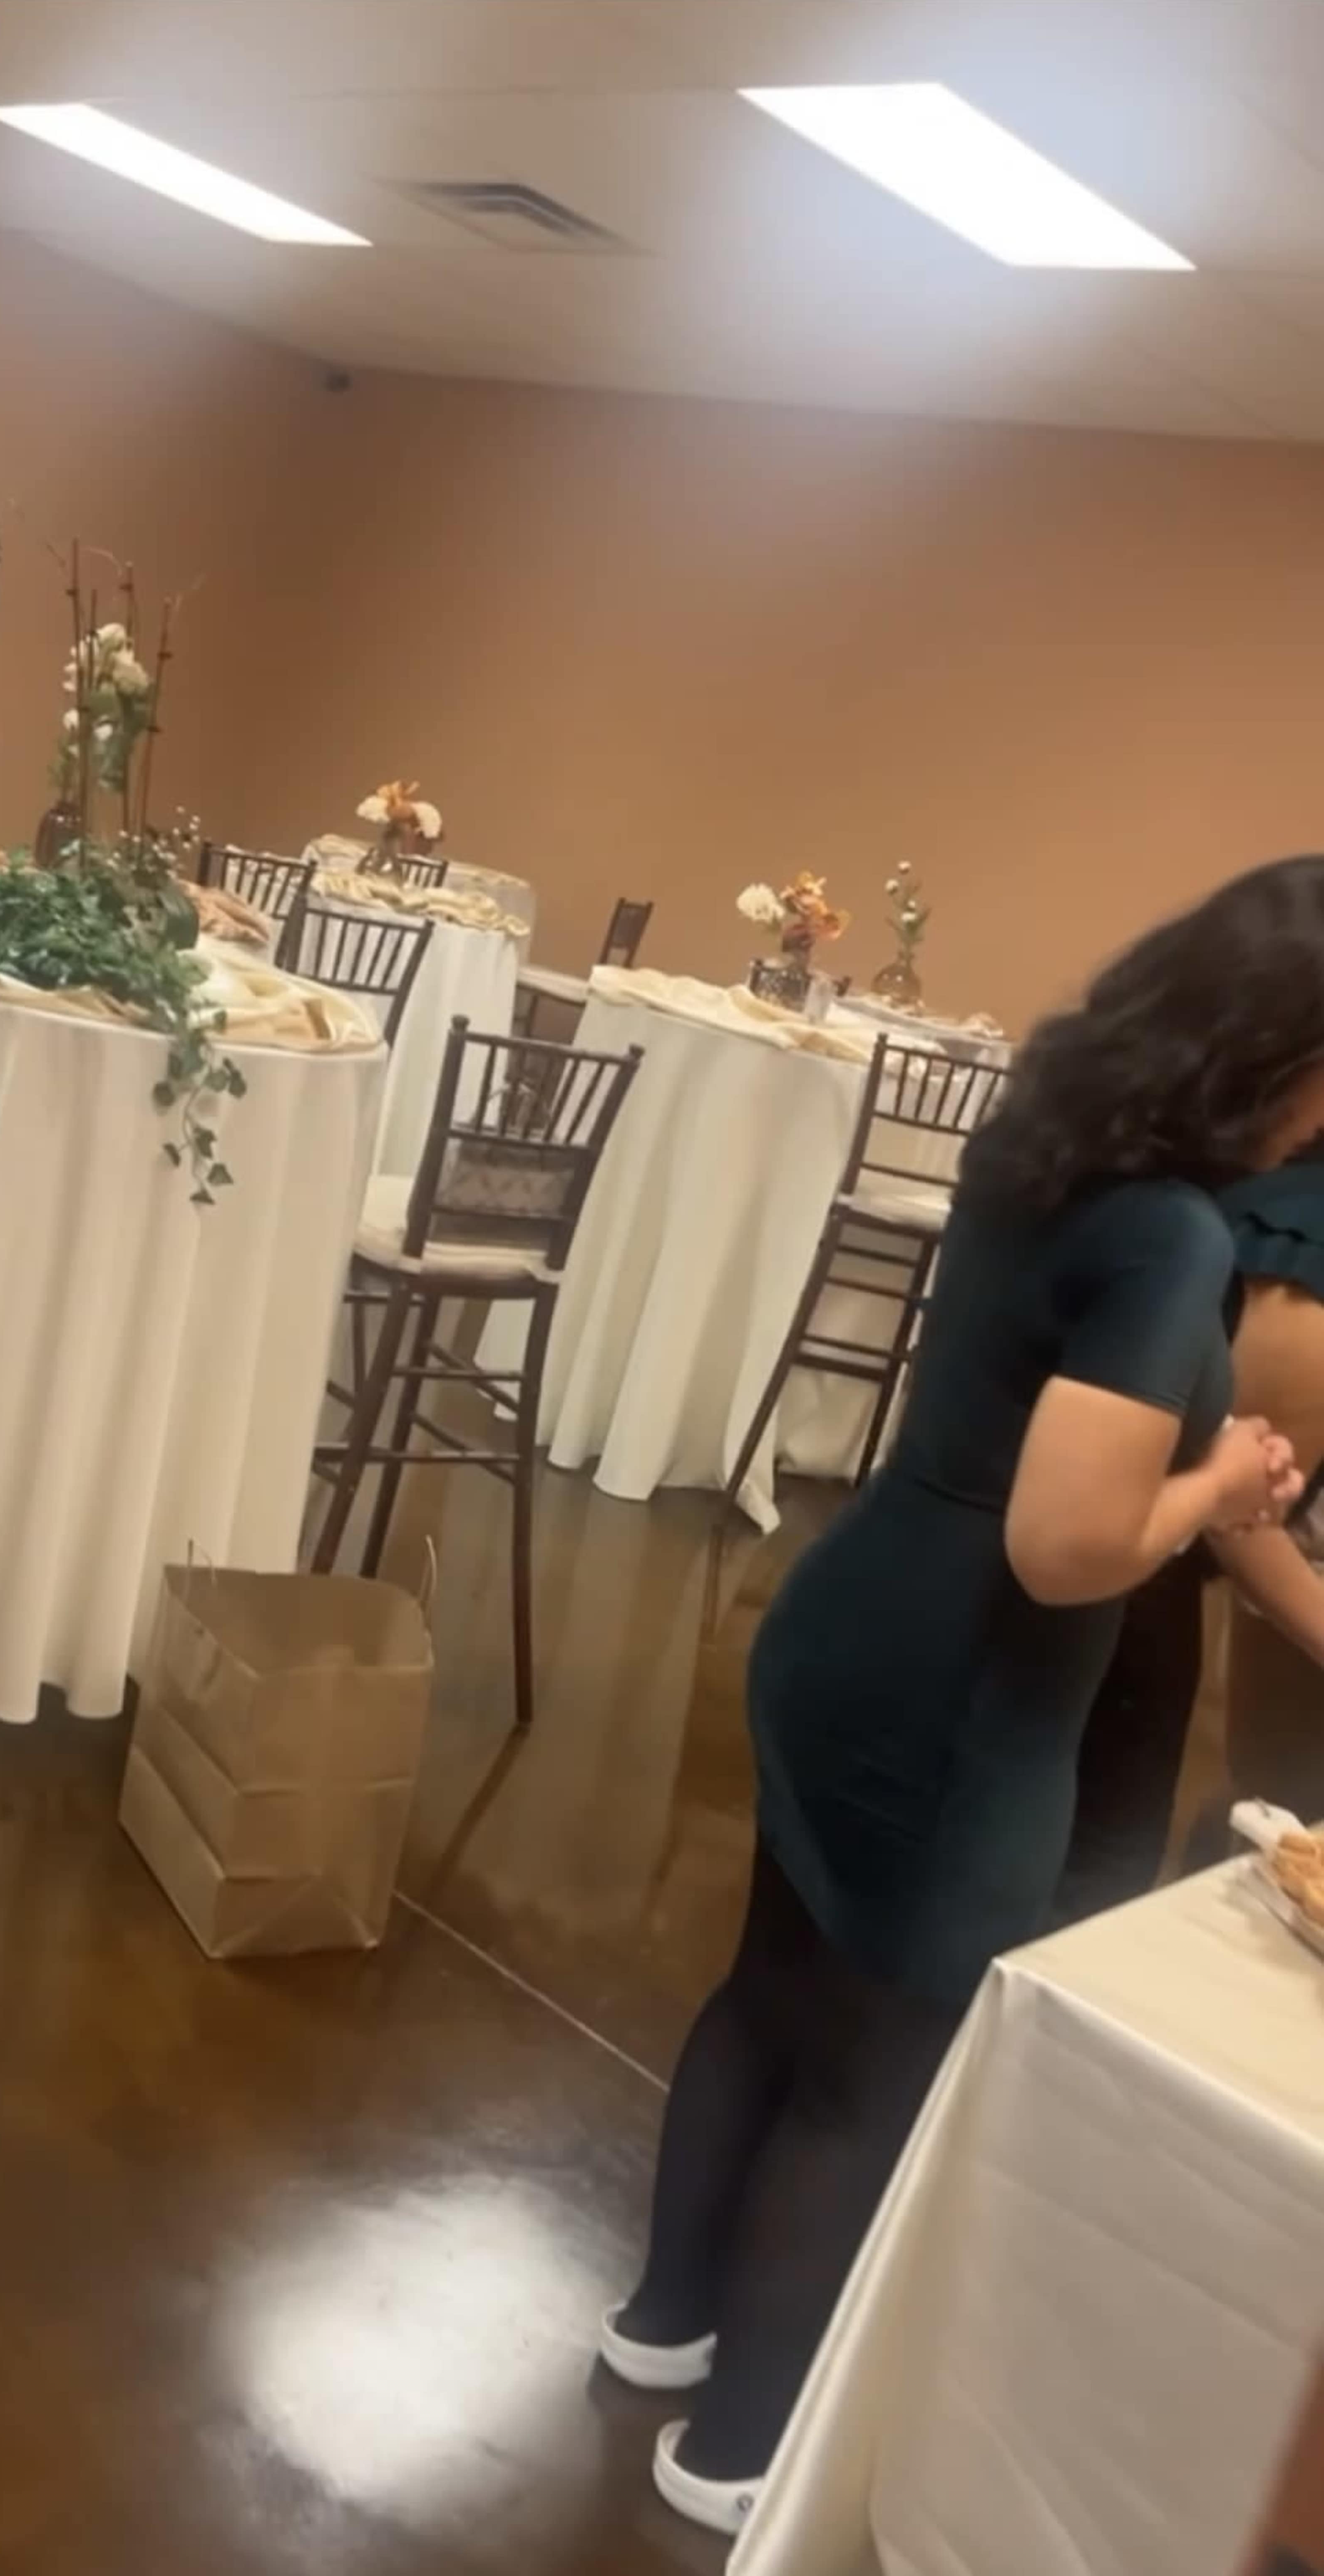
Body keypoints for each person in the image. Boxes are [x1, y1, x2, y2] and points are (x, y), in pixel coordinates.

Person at [602, 858, 1324, 2539]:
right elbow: (1072, 1543)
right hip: (964, 1694)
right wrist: (1216, 1473)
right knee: (877, 2071)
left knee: (772, 1995)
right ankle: (736, 2451)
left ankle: (662, 2332)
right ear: (1268, 1050)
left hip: (851, 1625)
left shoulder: (1045, 1138)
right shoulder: (1169, 1231)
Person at [1060, 1146, 1324, 1920]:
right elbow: (1235, 1494)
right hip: (1123, 1562)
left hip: (1174, 1538)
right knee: (1103, 1858)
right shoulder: (1299, 1270)